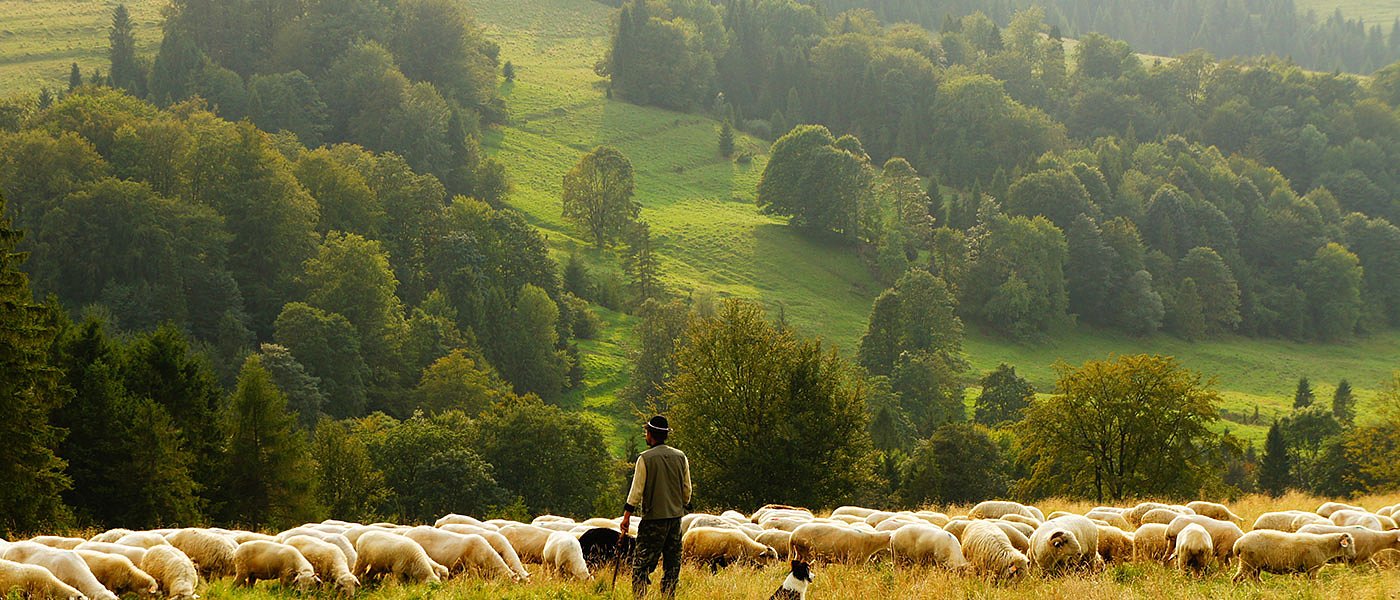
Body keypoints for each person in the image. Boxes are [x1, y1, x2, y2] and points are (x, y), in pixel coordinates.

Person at [621, 415, 692, 599]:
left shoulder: (645, 459)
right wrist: (679, 505)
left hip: (653, 520)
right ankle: (668, 596)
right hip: (675, 520)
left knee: (641, 565)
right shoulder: (680, 457)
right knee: (672, 564)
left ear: (651, 434)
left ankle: (640, 597)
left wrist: (627, 516)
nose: (645, 435)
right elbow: (687, 490)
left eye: (646, 432)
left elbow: (636, 491)